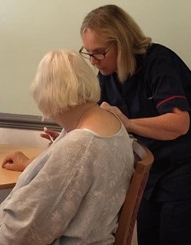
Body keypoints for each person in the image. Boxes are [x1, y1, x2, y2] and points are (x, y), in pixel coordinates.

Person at [42, 4, 191, 244]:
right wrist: (64, 138)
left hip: (182, 172)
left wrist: (128, 123)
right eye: (88, 52)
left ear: (122, 41)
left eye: (99, 52)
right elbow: (92, 117)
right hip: (149, 175)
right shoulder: (107, 74)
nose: (93, 61)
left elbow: (179, 123)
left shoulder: (159, 63)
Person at [0, 49, 134, 245]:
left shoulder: (78, 146)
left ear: (47, 95)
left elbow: (23, 232)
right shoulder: (108, 122)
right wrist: (31, 163)